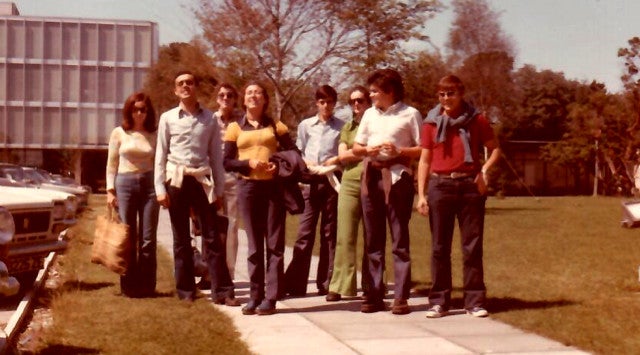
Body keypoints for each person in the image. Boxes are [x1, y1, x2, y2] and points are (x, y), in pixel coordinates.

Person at [416, 74, 500, 318]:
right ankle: (439, 301)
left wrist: (483, 171)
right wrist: (421, 195)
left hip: (469, 187)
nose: (446, 98)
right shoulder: (430, 123)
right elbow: (424, 159)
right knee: (439, 247)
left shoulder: (476, 120)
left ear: (461, 94)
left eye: (451, 93)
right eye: (442, 94)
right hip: (440, 187)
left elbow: (495, 149)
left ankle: (474, 301)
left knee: (472, 247)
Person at [154, 70, 238, 305]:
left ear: (195, 87)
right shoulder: (168, 118)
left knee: (212, 237)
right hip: (177, 180)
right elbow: (160, 154)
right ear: (175, 90)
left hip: (202, 180)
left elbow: (215, 158)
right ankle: (186, 291)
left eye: (190, 82)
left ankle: (222, 291)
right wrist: (160, 188)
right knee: (181, 238)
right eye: (181, 83)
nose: (186, 86)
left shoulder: (210, 119)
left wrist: (219, 191)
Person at [223, 82, 298, 315]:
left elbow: (294, 154)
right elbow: (226, 162)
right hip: (247, 188)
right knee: (254, 245)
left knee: (275, 245)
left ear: (264, 100)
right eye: (249, 92)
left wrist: (277, 166)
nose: (253, 96)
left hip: (273, 189)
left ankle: (271, 298)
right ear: (243, 100)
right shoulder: (235, 128)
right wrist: (248, 164)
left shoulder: (277, 126)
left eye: (258, 92)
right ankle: (255, 296)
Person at [352, 68, 422, 315]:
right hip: (371, 177)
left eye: (374, 91)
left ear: (389, 91)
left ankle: (401, 298)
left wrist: (399, 151)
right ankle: (373, 294)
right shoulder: (370, 115)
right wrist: (367, 151)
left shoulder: (410, 114)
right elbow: (357, 146)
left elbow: (422, 150)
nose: (370, 96)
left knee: (399, 239)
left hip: (398, 179)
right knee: (373, 239)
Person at [284, 85, 344, 297]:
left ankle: (327, 282)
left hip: (331, 181)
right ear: (316, 103)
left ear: (334, 103)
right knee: (305, 233)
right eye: (321, 102)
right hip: (311, 181)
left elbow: (343, 154)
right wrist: (307, 163)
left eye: (329, 101)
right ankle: (295, 282)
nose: (325, 105)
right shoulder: (306, 125)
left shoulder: (341, 127)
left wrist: (334, 162)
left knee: (329, 233)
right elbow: (298, 151)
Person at [106, 91, 159, 298]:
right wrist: (110, 191)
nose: (139, 113)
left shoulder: (153, 134)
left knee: (147, 238)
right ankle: (129, 286)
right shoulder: (119, 133)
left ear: (148, 112)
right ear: (129, 111)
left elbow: (158, 163)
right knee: (128, 237)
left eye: (143, 110)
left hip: (149, 186)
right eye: (135, 109)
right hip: (125, 184)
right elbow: (111, 164)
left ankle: (147, 286)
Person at [326, 86, 373, 302]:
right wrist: (358, 153)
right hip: (349, 182)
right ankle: (340, 284)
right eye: (352, 101)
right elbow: (344, 156)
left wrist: (348, 154)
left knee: (372, 237)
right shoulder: (348, 127)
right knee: (344, 235)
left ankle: (371, 285)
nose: (356, 105)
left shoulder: (376, 123)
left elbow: (371, 151)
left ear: (368, 102)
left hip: (372, 181)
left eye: (360, 100)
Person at [212, 83, 243, 280]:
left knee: (231, 228)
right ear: (217, 99)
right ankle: (211, 273)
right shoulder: (208, 120)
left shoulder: (241, 122)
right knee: (210, 228)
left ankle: (229, 274)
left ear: (234, 99)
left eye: (230, 95)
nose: (225, 98)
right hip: (212, 179)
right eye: (222, 95)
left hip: (233, 179)